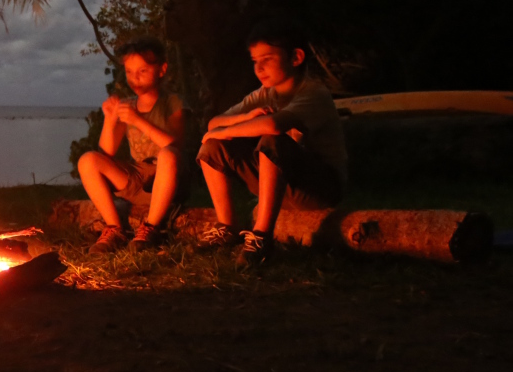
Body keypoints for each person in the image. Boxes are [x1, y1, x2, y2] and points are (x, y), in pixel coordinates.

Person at [196, 18, 347, 266]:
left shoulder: (313, 93)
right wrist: (243, 118)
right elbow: (214, 123)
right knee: (212, 148)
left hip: (320, 187)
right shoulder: (265, 94)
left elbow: (274, 126)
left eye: (267, 59)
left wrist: (223, 131)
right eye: (255, 61)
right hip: (282, 184)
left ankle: (261, 237)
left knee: (272, 140)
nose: (259, 68)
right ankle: (227, 226)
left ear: (296, 58)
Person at [78, 37, 189, 254]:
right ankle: (115, 228)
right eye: (129, 72)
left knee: (168, 155)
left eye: (142, 71)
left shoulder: (174, 102)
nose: (135, 79)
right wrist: (109, 120)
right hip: (138, 179)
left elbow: (175, 144)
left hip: (168, 179)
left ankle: (151, 228)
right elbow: (105, 153)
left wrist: (139, 120)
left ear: (161, 69)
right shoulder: (127, 105)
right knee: (88, 160)